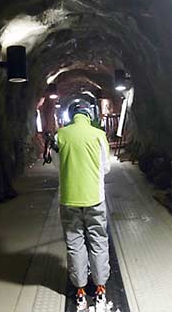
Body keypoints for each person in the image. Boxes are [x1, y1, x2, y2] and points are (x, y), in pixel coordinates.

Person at [56, 99, 111, 311]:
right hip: (94, 198)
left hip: (69, 198)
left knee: (75, 242)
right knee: (98, 241)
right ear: (89, 115)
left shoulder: (60, 135)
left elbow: (56, 165)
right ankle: (100, 290)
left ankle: (79, 291)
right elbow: (106, 167)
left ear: (71, 116)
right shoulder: (98, 135)